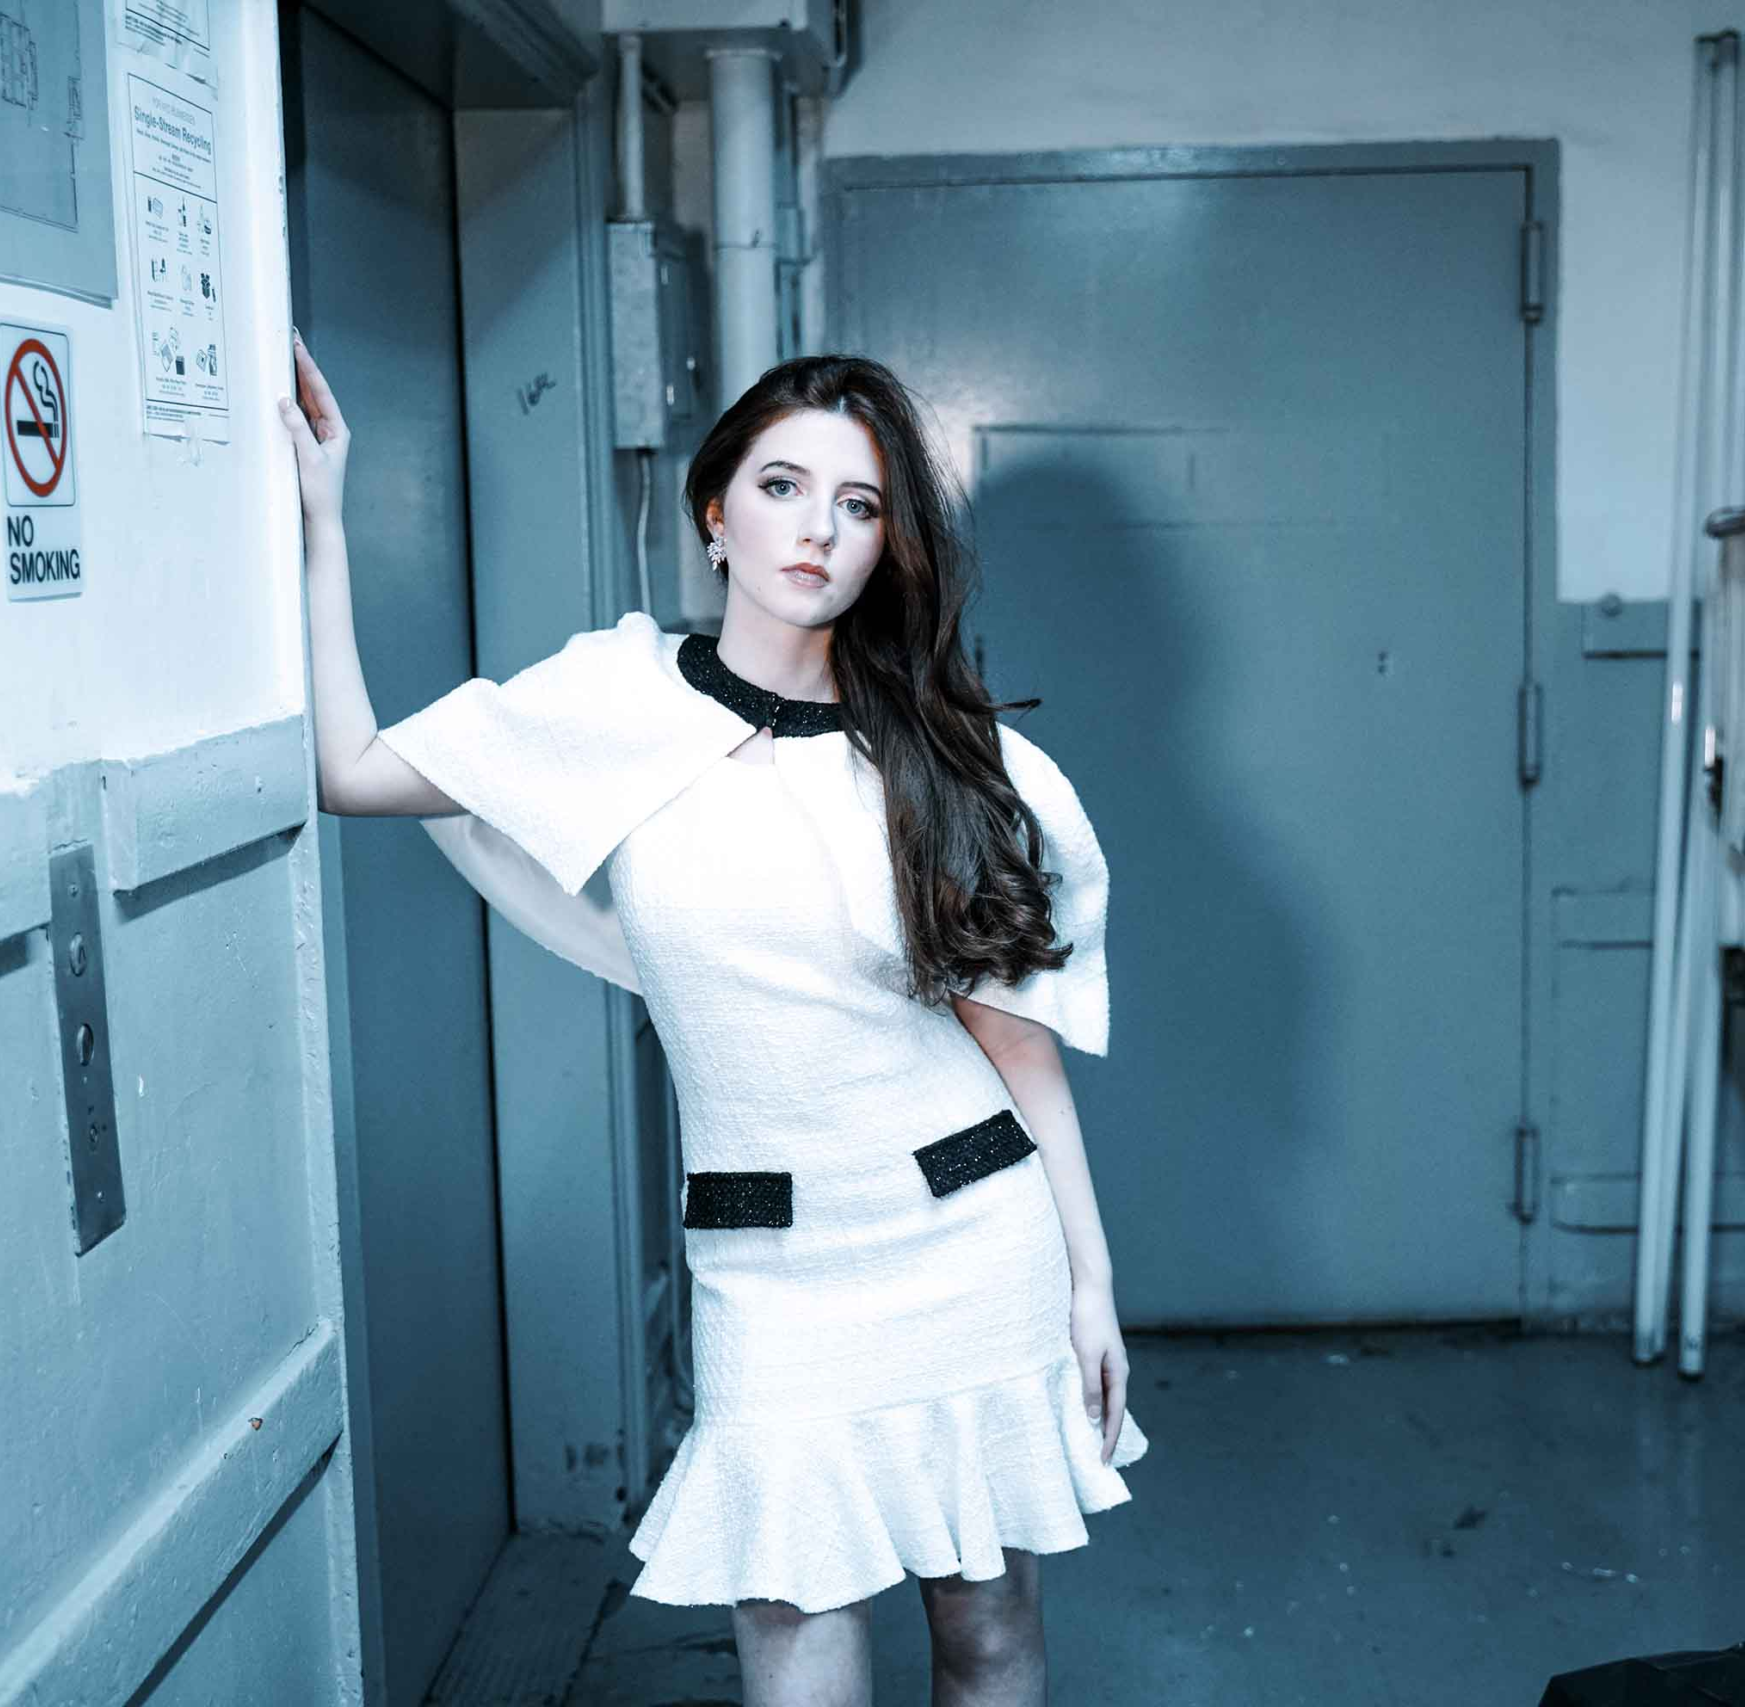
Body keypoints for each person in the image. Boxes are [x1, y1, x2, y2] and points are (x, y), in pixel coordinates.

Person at [281, 338, 1146, 1707]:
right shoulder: (615, 703)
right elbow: (349, 768)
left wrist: (1091, 1280)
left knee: (988, 1633)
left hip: (971, 1240)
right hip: (768, 1268)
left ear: (887, 544)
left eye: (858, 505)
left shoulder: (944, 753)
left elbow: (1015, 1041)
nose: (818, 529)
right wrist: (324, 519)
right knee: (792, 1639)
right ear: (715, 511)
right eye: (783, 485)